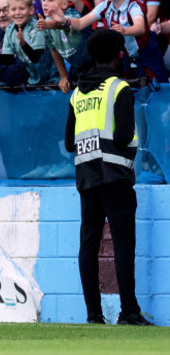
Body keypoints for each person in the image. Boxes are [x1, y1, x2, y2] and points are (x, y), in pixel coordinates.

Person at [64, 28, 152, 326]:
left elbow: (68, 143)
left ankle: (94, 315)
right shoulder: (119, 88)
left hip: (87, 175)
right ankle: (129, 312)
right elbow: (125, 134)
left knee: (88, 243)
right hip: (116, 175)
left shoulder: (77, 92)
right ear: (118, 55)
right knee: (123, 244)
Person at [47, 0, 168, 83]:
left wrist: (125, 31)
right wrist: (64, 20)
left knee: (157, 85)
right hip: (126, 55)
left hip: (147, 52)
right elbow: (79, 23)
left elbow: (140, 28)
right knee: (133, 86)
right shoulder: (104, 5)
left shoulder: (133, 6)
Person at [36, 0, 92, 93]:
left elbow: (63, 25)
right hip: (78, 68)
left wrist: (48, 25)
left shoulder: (72, 15)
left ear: (64, 4)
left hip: (95, 63)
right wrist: (63, 76)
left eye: (50, 0)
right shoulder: (46, 22)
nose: (45, 4)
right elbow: (54, 50)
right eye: (43, 0)